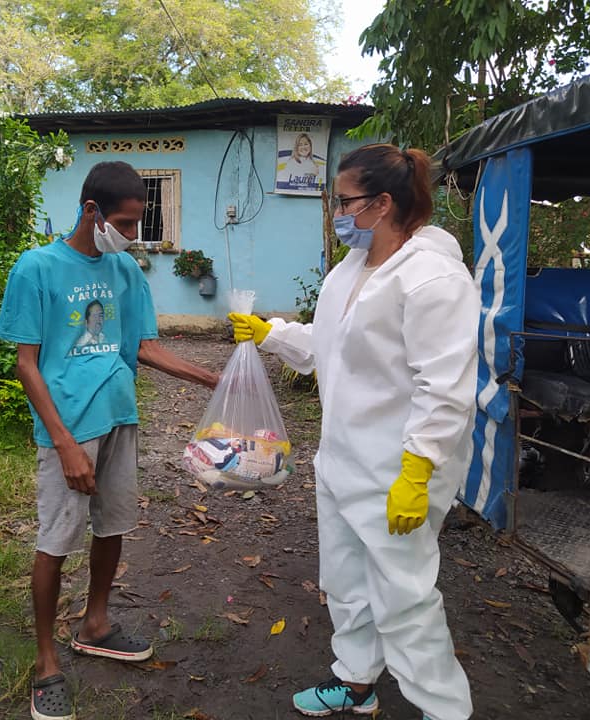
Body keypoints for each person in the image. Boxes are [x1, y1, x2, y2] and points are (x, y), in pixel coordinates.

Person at [230, 144, 479, 720]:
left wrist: (417, 469)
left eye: (344, 203)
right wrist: (272, 334)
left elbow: (445, 386)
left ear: (382, 203)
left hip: (398, 467)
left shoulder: (432, 277)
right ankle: (355, 681)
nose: (337, 214)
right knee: (344, 579)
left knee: (404, 596)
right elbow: (331, 345)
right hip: (342, 457)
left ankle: (445, 709)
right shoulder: (352, 268)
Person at [0, 160, 219, 720]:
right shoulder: (37, 268)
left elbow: (143, 346)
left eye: (138, 223)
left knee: (113, 526)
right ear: (91, 210)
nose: (131, 234)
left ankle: (95, 624)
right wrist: (64, 443)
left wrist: (213, 379)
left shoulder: (125, 271)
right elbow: (26, 364)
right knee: (56, 539)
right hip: (69, 426)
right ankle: (46, 662)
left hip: (120, 415)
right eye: (123, 223)